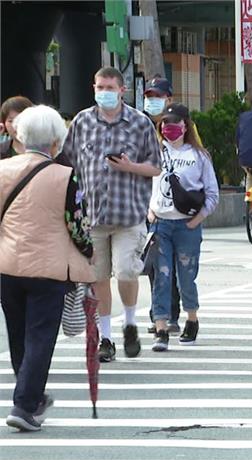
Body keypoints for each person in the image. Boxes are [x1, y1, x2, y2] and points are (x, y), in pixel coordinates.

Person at [1, 105, 94, 431]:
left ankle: (31, 395)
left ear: (21, 137)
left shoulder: (3, 169)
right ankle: (25, 405)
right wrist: (89, 252)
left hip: (8, 266)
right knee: (40, 337)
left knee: (18, 335)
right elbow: (77, 224)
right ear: (56, 141)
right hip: (49, 270)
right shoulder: (65, 175)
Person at [61, 66, 161, 363]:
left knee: (127, 271)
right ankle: (106, 337)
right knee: (98, 278)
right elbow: (67, 163)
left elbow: (155, 166)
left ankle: (129, 322)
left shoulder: (140, 123)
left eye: (109, 87)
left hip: (128, 214)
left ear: (122, 90)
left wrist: (130, 167)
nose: (103, 92)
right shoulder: (82, 121)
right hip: (92, 217)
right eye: (99, 87)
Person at [147, 104, 219, 351]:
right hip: (160, 224)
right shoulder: (154, 152)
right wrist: (150, 211)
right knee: (161, 278)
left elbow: (212, 193)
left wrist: (197, 220)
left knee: (186, 278)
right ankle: (161, 328)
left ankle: (191, 319)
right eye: (165, 123)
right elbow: (144, 184)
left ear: (186, 126)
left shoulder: (199, 156)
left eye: (175, 123)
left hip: (187, 226)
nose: (169, 128)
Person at [141, 76, 182, 335]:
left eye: (158, 96)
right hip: (149, 207)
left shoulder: (177, 126)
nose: (152, 101)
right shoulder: (142, 126)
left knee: (175, 266)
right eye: (149, 96)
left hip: (175, 209)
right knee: (155, 264)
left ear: (169, 98)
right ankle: (160, 315)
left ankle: (171, 313)